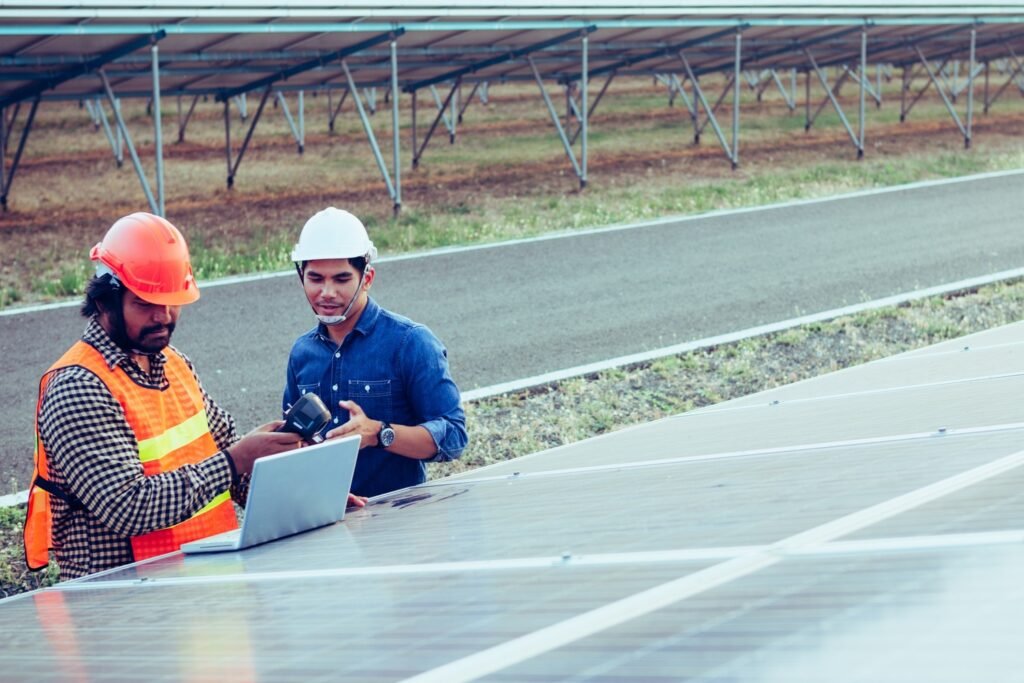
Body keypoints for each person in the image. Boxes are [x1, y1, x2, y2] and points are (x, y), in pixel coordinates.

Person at [24, 212, 302, 581]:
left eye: (171, 301)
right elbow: (128, 507)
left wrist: (301, 503)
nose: (163, 317)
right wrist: (237, 459)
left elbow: (231, 461)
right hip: (123, 603)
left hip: (206, 582)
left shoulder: (174, 363)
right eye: (145, 304)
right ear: (105, 302)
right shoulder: (78, 386)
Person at [284, 207, 468, 498]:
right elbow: (291, 444)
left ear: (367, 278)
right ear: (301, 277)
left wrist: (379, 434)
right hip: (323, 518)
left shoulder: (411, 342)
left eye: (341, 279)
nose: (327, 292)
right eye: (316, 278)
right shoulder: (301, 353)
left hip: (400, 517)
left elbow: (454, 436)